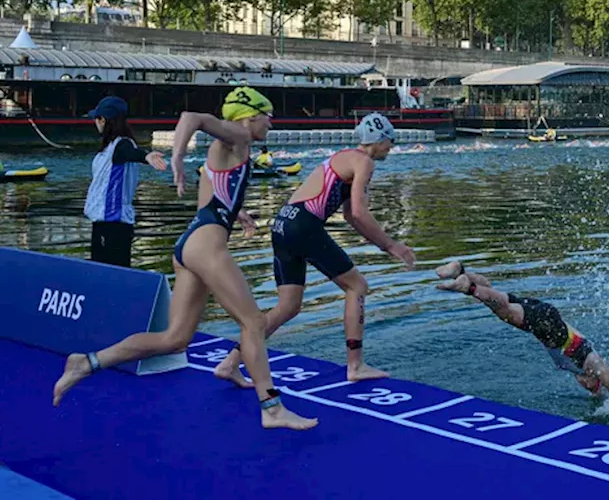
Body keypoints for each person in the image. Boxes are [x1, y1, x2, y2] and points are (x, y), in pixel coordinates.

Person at [54, 87, 317, 431]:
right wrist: (176, 156)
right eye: (269, 116)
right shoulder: (237, 134)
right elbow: (192, 117)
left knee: (174, 339)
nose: (271, 124)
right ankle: (272, 408)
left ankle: (86, 363)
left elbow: (212, 198)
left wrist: (238, 214)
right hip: (206, 245)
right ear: (250, 116)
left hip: (190, 242)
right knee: (253, 323)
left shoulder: (224, 148)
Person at [213, 112, 415, 385]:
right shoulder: (364, 162)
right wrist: (393, 246)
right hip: (303, 226)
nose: (391, 147)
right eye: (390, 141)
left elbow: (350, 216)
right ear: (378, 140)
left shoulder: (343, 157)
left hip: (282, 223)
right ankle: (355, 365)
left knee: (288, 307)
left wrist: (384, 246)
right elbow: (359, 211)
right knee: (357, 287)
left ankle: (230, 362)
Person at [434, 261, 609, 396]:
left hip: (545, 314)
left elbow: (597, 395)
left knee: (495, 293)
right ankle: (469, 287)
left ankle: (460, 271)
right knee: (504, 312)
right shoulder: (590, 362)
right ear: (593, 378)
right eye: (591, 386)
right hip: (547, 323)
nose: (584, 386)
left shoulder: (579, 368)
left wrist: (597, 395)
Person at [83, 96, 168, 268]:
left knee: (111, 270)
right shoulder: (109, 147)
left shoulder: (121, 145)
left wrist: (146, 156)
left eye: (97, 119)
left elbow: (131, 153)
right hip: (102, 220)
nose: (95, 122)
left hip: (113, 222)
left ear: (104, 120)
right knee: (103, 269)